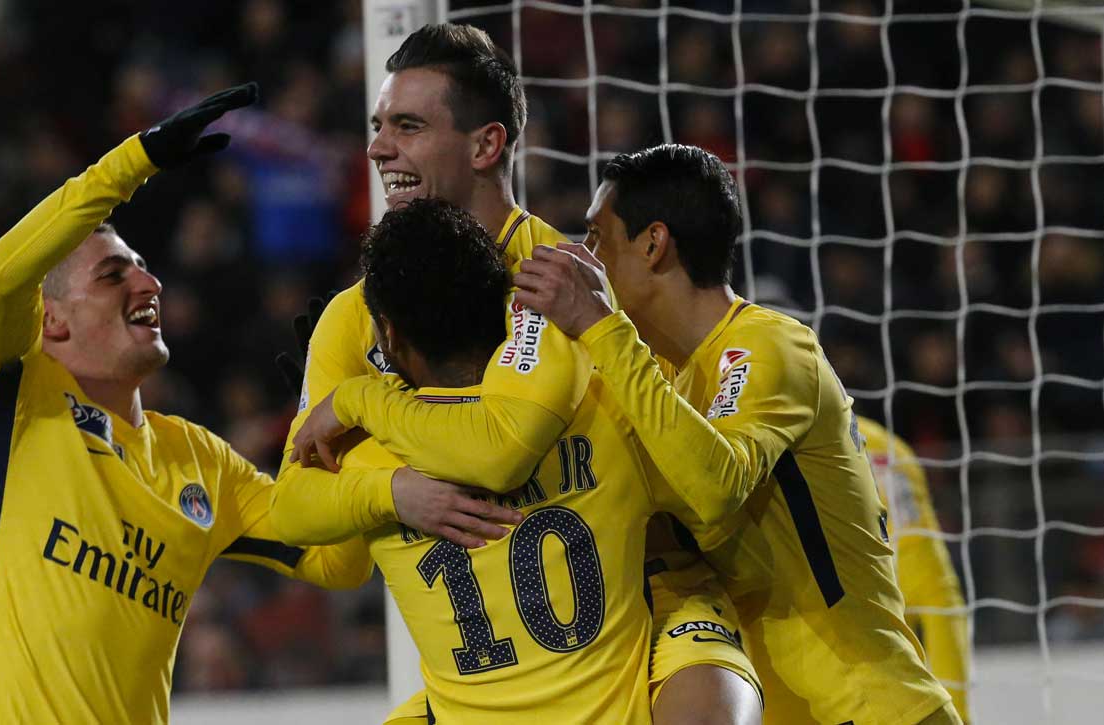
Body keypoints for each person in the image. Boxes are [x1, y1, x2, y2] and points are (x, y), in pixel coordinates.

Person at [0, 83, 516, 723]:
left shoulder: (199, 462)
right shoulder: (14, 397)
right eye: (113, 275)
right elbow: (0, 279)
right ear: (51, 321)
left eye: (143, 267)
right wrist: (135, 163)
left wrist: (338, 430)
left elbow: (336, 561)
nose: (149, 282)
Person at [284, 23, 760, 724]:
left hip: (634, 615)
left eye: (408, 126)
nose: (379, 148)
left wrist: (363, 405)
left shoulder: (576, 286)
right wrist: (393, 491)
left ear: (486, 145)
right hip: (490, 663)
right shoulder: (354, 317)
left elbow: (507, 453)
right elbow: (304, 515)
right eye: (378, 126)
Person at [512, 143, 960, 724]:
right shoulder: (661, 380)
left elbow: (714, 485)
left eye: (597, 237)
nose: (586, 258)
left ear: (653, 243)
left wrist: (601, 327)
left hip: (870, 709)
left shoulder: (770, 345)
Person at [860, 416, 972, 722]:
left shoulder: (827, 434)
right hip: (928, 570)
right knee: (953, 702)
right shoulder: (894, 445)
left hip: (874, 578)